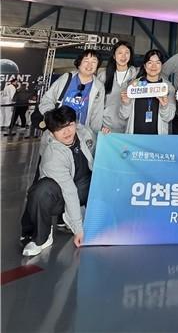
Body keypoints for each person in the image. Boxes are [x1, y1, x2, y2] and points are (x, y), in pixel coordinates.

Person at [20, 106, 94, 256]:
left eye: (69, 125)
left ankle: (94, 218)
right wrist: (78, 230)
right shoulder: (53, 155)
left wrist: (107, 135)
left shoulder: (85, 133)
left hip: (86, 186)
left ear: (75, 123)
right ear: (52, 132)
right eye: (60, 129)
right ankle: (42, 237)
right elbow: (69, 191)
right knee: (41, 192)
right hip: (62, 197)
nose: (67, 132)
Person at [39, 51, 104, 134]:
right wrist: (52, 118)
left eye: (94, 62)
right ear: (79, 63)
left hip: (81, 133)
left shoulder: (99, 87)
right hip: (58, 130)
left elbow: (97, 115)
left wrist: (94, 135)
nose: (89, 65)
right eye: (86, 61)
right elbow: (47, 99)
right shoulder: (66, 78)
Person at [119, 49, 175, 134]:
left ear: (162, 66)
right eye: (150, 63)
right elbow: (123, 115)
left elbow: (169, 117)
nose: (153, 66)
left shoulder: (168, 88)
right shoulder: (133, 86)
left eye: (157, 63)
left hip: (157, 137)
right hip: (134, 137)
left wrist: (165, 107)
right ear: (144, 66)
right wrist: (126, 104)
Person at [99, 41, 137, 134]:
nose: (123, 56)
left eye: (127, 53)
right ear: (114, 56)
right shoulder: (103, 75)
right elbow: (96, 104)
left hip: (129, 128)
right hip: (106, 127)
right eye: (120, 53)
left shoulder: (137, 75)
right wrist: (99, 126)